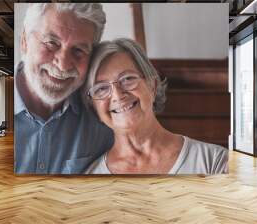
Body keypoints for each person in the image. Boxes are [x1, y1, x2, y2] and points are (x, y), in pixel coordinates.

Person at [83, 38, 228, 174]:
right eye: (101, 88)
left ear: (152, 86)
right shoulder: (89, 179)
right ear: (94, 107)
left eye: (127, 79)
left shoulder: (214, 161)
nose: (118, 95)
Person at [14, 3, 113, 174]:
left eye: (78, 50)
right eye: (51, 43)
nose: (64, 65)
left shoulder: (102, 119)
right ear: (24, 41)